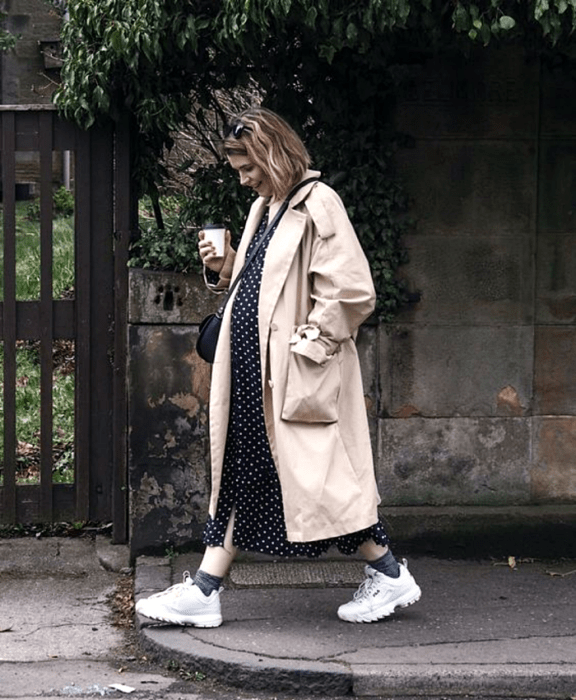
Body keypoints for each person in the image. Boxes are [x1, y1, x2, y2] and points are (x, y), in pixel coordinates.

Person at [136, 107, 421, 627]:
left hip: (292, 371)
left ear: (274, 153)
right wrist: (223, 267)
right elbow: (262, 283)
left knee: (321, 481)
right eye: (238, 168)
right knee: (244, 474)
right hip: (252, 370)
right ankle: (205, 589)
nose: (244, 178)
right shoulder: (263, 209)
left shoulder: (319, 204)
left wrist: (310, 346)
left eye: (249, 166)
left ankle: (389, 575)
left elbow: (353, 290)